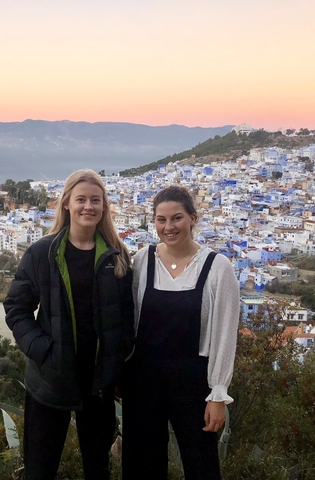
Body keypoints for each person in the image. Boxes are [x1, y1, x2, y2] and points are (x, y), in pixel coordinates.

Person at [4, 169, 134, 480]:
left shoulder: (116, 257)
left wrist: (119, 365)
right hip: (51, 379)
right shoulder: (42, 253)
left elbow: (127, 318)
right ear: (66, 204)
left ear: (104, 207)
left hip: (98, 383)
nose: (88, 206)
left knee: (97, 467)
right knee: (39, 469)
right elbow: (17, 309)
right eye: (81, 200)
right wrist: (44, 352)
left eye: (95, 200)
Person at [122, 185, 239, 479]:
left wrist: (218, 394)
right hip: (143, 379)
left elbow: (225, 333)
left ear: (193, 218)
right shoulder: (142, 260)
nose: (168, 227)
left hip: (193, 383)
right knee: (141, 464)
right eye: (161, 220)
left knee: (201, 464)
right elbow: (130, 320)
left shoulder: (217, 267)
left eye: (176, 218)